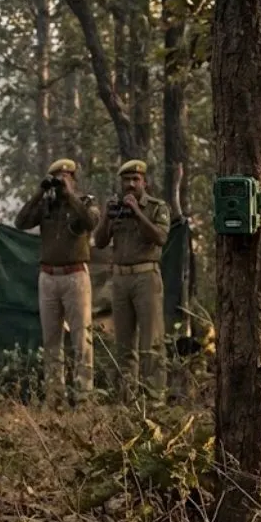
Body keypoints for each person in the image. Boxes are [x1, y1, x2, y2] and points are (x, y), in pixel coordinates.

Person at [14, 158, 101, 407]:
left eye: (66, 176)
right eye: (57, 177)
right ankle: (55, 394)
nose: (62, 181)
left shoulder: (85, 203)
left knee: (81, 337)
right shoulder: (46, 207)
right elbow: (21, 222)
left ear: (74, 178)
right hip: (48, 276)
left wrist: (70, 195)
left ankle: (84, 395)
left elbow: (90, 223)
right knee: (51, 338)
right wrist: (40, 192)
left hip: (75, 276)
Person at [93, 159, 171, 402]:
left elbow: (159, 237)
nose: (130, 184)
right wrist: (107, 217)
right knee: (124, 344)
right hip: (120, 278)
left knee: (152, 342)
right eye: (126, 180)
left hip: (146, 277)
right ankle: (127, 399)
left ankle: (154, 399)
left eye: (135, 180)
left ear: (144, 182)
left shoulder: (156, 208)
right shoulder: (116, 209)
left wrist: (137, 212)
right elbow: (101, 242)